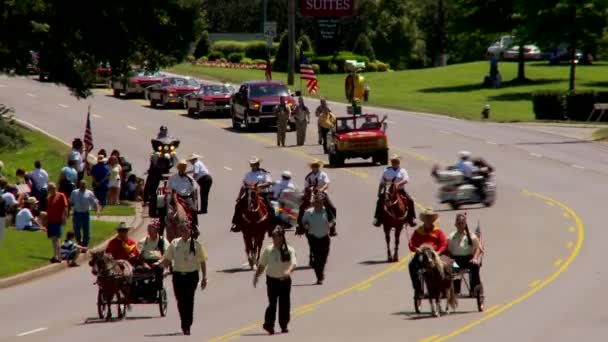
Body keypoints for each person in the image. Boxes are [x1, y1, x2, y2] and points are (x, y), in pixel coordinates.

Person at [153, 224, 208, 336]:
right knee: (180, 301)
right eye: (181, 230)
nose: (183, 232)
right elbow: (167, 258)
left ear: (190, 231)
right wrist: (160, 264)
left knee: (189, 300)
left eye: (185, 230)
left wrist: (204, 277)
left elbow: (202, 261)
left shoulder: (196, 245)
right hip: (178, 276)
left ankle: (187, 324)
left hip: (191, 276)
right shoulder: (175, 243)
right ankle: (184, 321)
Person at [253, 227, 297, 335]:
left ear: (281, 237)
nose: (273, 238)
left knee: (284, 304)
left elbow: (294, 263)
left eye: (275, 236)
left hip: (285, 281)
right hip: (272, 281)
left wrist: (288, 271)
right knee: (272, 304)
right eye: (272, 236)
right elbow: (262, 265)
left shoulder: (290, 250)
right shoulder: (269, 250)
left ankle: (284, 325)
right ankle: (269, 325)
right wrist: (256, 276)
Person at [408, 208, 448, 297]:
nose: (428, 220)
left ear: (433, 220)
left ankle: (443, 287)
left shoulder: (438, 232)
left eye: (430, 218)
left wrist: (438, 252)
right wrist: (416, 249)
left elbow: (444, 244)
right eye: (427, 218)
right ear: (424, 219)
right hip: (421, 255)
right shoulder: (418, 231)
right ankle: (417, 288)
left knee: (445, 267)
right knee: (411, 265)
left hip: (434, 255)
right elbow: (411, 243)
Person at [230, 157, 274, 232]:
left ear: (258, 164)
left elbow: (269, 183)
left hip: (262, 193)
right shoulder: (248, 174)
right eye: (252, 165)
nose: (253, 166)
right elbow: (243, 187)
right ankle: (236, 223)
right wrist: (239, 197)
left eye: (254, 164)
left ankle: (272, 226)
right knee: (238, 206)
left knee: (271, 208)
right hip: (249, 194)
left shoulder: (265, 173)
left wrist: (260, 186)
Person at [372, 155, 417, 227]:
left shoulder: (402, 171)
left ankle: (411, 218)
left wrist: (398, 184)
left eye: (396, 161)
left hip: (400, 190)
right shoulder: (387, 171)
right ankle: (377, 218)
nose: (394, 163)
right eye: (393, 161)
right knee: (379, 201)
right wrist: (379, 191)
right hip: (388, 190)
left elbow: (406, 180)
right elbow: (382, 182)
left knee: (410, 200)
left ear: (398, 162)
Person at [301, 196, 334, 285]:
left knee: (323, 257)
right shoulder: (308, 212)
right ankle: (319, 277)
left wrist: (330, 225)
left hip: (324, 237)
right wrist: (305, 225)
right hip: (314, 238)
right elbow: (304, 222)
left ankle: (321, 271)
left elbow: (332, 220)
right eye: (317, 202)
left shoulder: (326, 211)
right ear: (314, 203)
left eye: (320, 202)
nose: (319, 204)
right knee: (316, 258)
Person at [447, 213, 482, 295]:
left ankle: (475, 287)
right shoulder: (450, 237)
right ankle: (455, 290)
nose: (460, 225)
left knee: (475, 266)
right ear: (455, 224)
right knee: (450, 268)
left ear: (465, 224)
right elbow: (447, 250)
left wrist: (475, 258)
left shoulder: (471, 236)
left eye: (462, 223)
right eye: (458, 223)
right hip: (455, 260)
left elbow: (478, 248)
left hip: (468, 259)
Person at [301, 160, 337, 236]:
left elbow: (327, 184)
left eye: (316, 165)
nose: (315, 167)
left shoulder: (323, 174)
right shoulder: (308, 176)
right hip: (311, 193)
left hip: (321, 193)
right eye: (313, 166)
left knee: (332, 208)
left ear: (318, 166)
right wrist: (307, 191)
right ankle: (300, 227)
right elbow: (306, 187)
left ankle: (332, 228)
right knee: (301, 207)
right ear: (311, 167)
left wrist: (321, 190)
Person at [68, 180, 101, 247]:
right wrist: (69, 210)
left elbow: (96, 202)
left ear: (86, 185)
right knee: (77, 230)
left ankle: (85, 245)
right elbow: (70, 202)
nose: (83, 186)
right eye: (81, 185)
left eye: (84, 185)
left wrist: (97, 210)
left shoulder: (89, 193)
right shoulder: (74, 192)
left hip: (85, 214)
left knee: (87, 231)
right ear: (79, 185)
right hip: (77, 214)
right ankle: (79, 242)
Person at [168, 160, 200, 228]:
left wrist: (194, 202)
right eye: (181, 167)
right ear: (179, 168)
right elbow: (170, 189)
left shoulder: (189, 178)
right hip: (176, 196)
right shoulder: (173, 178)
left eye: (183, 167)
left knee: (194, 210)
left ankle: (195, 227)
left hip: (186, 198)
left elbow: (193, 190)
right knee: (168, 214)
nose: (182, 169)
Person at [46, 183, 69, 264]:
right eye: (49, 189)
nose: (50, 190)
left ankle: (58, 256)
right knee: (53, 239)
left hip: (57, 220)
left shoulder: (61, 195)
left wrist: (64, 217)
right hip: (50, 221)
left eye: (51, 188)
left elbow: (65, 207)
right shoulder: (49, 198)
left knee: (57, 239)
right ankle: (55, 255)